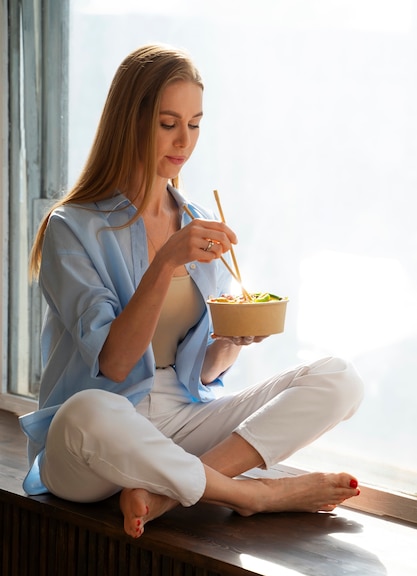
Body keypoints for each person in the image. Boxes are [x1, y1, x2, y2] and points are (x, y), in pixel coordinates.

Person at [20, 43, 364, 539]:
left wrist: (233, 341)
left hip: (182, 419)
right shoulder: (71, 229)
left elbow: (198, 368)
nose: (184, 140)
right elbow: (115, 364)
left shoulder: (197, 220)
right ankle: (251, 494)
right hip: (98, 438)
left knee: (339, 378)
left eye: (195, 123)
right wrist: (166, 261)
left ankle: (165, 491)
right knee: (84, 413)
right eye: (168, 123)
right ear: (130, 122)